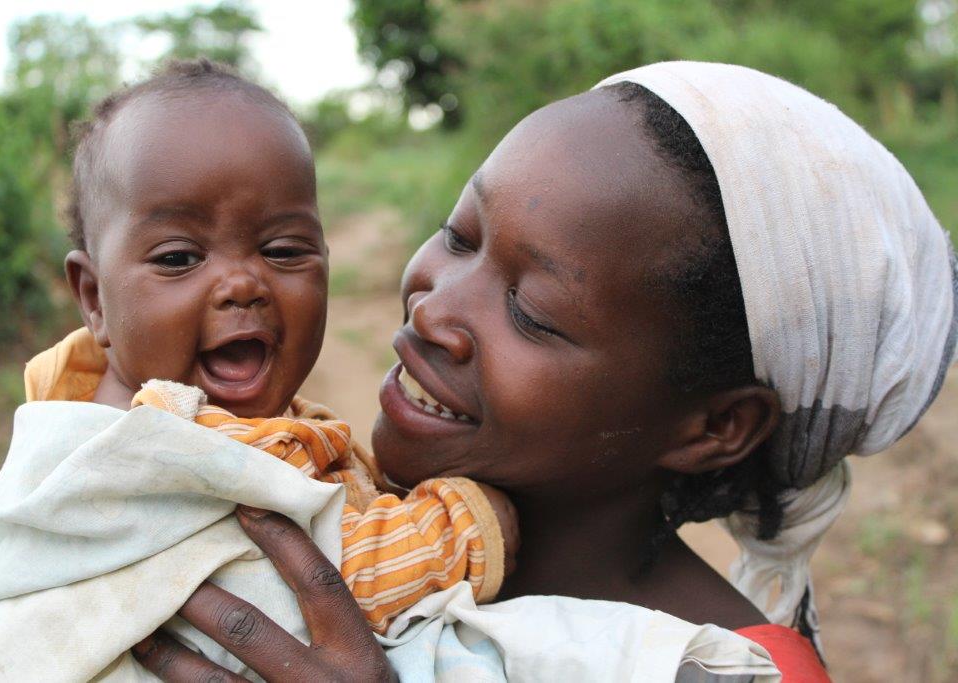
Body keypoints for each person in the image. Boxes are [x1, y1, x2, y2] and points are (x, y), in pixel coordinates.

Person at [133, 62, 956, 681]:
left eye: (531, 312)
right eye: (459, 235)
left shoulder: (714, 669)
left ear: (717, 425)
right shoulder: (358, 526)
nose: (434, 309)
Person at [0, 59, 519, 678]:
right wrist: (475, 520)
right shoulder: (165, 449)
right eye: (180, 257)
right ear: (95, 298)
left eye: (283, 251)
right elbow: (355, 572)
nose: (242, 283)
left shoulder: (87, 395)